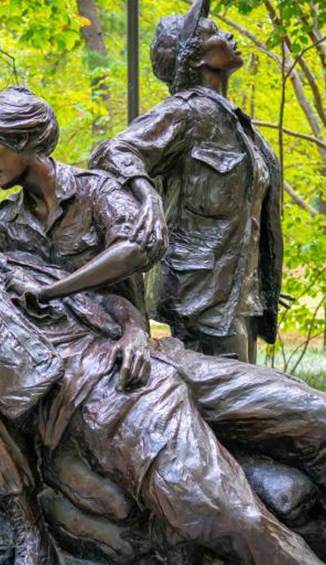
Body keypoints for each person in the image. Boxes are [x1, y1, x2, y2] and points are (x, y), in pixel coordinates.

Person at [0, 86, 326, 564]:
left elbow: (140, 248)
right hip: (109, 386)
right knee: (217, 507)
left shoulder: (97, 191)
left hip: (153, 353)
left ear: (25, 139)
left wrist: (115, 320)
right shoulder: (1, 232)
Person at [0, 219, 324, 565]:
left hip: (157, 361)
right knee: (230, 515)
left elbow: (104, 301)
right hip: (107, 400)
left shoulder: (7, 261)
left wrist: (132, 332)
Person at [90, 0, 282, 363]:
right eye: (212, 32)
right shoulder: (185, 111)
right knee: (224, 409)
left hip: (242, 295)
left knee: (246, 408)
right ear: (194, 57)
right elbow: (112, 152)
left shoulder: (240, 126)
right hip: (203, 298)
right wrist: (146, 194)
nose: (227, 34)